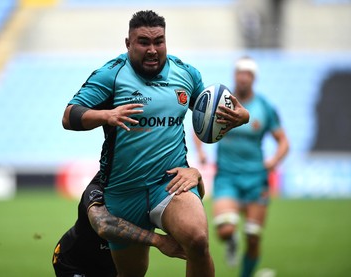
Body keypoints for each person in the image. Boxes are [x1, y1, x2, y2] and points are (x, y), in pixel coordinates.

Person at [62, 10, 249, 277]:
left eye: (158, 41)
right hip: (124, 191)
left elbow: (211, 113)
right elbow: (69, 116)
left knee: (197, 240)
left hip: (170, 182)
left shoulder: (186, 74)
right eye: (143, 42)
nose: (152, 49)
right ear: (128, 44)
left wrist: (241, 117)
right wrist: (107, 115)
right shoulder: (111, 75)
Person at [194, 56, 289, 277]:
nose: (243, 78)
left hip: (256, 177)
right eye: (240, 73)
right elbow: (198, 125)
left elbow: (283, 141)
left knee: (254, 236)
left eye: (248, 74)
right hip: (227, 175)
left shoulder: (264, 107)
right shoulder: (220, 102)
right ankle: (231, 241)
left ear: (254, 78)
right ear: (234, 75)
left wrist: (274, 161)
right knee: (225, 229)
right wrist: (200, 152)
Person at [52, 171, 203, 277]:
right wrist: (159, 241)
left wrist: (197, 177)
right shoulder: (97, 189)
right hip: (75, 262)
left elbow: (188, 203)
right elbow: (103, 225)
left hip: (115, 265)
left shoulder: (149, 187)